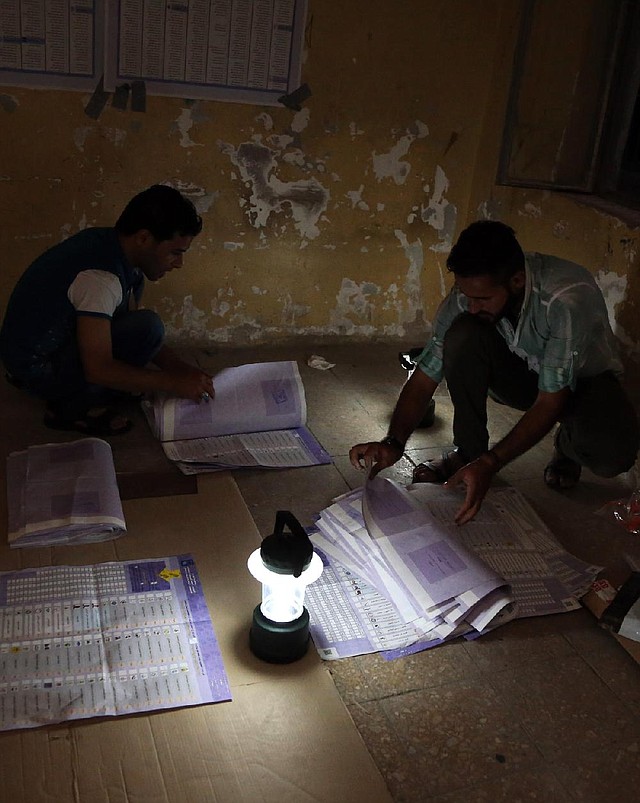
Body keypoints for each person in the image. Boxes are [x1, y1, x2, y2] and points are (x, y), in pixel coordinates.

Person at [350, 220, 639, 525]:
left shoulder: (565, 299)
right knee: (462, 334)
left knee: (612, 456)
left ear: (516, 281)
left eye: (483, 299)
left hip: (586, 384)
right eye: (467, 295)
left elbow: (550, 399)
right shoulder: (471, 294)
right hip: (527, 375)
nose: (472, 306)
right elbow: (425, 375)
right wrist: (393, 442)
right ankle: (467, 454)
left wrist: (493, 463)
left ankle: (566, 446)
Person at [0, 184, 215, 436]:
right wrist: (171, 382)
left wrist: (177, 367)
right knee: (147, 329)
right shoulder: (101, 278)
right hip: (36, 369)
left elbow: (128, 325)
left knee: (144, 329)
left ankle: (105, 388)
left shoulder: (120, 251)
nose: (178, 263)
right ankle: (68, 409)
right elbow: (98, 368)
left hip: (50, 348)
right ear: (144, 238)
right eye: (175, 253)